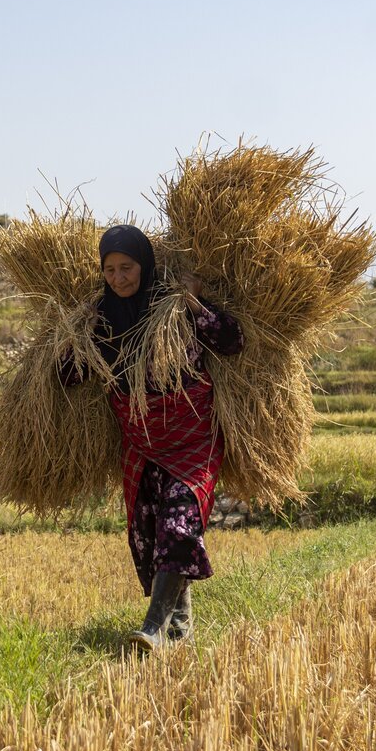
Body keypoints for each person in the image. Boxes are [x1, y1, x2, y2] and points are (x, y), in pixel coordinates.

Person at [57, 224, 244, 652]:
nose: (119, 277)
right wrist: (77, 333)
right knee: (156, 533)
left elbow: (232, 341)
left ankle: (155, 629)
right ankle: (181, 632)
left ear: (145, 265)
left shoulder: (174, 309)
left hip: (193, 438)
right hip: (142, 445)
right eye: (110, 270)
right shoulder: (103, 320)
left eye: (127, 267)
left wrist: (195, 301)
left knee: (178, 528)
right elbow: (68, 376)